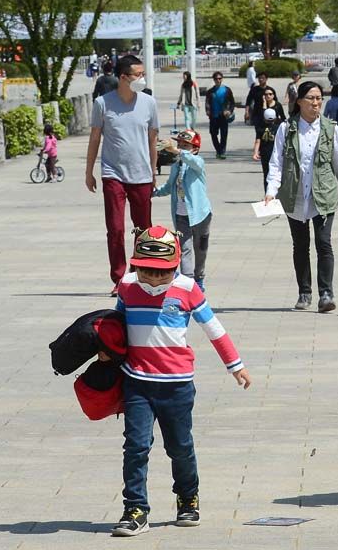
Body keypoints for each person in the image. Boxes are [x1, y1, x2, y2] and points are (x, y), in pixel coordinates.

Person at [107, 226, 251, 537]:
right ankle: (135, 509)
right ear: (136, 266)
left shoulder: (187, 288)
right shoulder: (128, 286)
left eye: (162, 274)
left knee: (180, 447)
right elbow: (115, 325)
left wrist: (235, 365)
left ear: (174, 268)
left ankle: (188, 497)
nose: (154, 280)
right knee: (135, 447)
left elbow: (213, 328)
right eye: (147, 272)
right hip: (137, 383)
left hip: (177, 385)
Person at [264, 82, 338, 313]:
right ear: (299, 102)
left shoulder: (331, 129)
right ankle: (304, 292)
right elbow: (276, 163)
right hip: (295, 196)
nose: (316, 103)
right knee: (300, 245)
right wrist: (270, 191)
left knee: (324, 243)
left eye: (318, 98)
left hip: (323, 195)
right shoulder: (286, 129)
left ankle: (326, 294)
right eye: (311, 98)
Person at [85, 54, 160, 296]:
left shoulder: (149, 103)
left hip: (141, 174)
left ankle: (139, 274)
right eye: (138, 75)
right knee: (115, 228)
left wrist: (153, 171)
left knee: (143, 229)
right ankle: (119, 278)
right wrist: (89, 172)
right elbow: (95, 138)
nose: (142, 78)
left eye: (143, 74)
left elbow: (153, 139)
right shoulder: (103, 103)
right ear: (123, 77)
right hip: (112, 173)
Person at [154, 130, 212, 292]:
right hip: (181, 215)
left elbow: (194, 162)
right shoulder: (176, 165)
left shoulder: (198, 162)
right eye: (178, 144)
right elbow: (169, 187)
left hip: (200, 215)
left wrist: (177, 151)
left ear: (195, 149)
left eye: (185, 145)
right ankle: (188, 283)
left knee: (200, 249)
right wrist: (152, 192)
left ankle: (199, 278)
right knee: (184, 249)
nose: (180, 147)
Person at [253, 104, 285, 192]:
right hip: (276, 154)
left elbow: (258, 141)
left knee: (266, 174)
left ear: (264, 118)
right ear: (275, 118)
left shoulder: (260, 128)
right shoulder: (279, 128)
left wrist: (255, 152)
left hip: (265, 154)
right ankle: (277, 192)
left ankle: (267, 192)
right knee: (278, 173)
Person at [204, 72, 234, 159]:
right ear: (214, 80)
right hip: (213, 116)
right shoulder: (210, 91)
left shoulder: (227, 90)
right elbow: (207, 103)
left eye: (220, 78)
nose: (218, 80)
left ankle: (222, 152)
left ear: (222, 79)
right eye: (216, 79)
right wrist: (208, 111)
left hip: (223, 116)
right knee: (213, 134)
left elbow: (232, 102)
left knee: (224, 135)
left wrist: (229, 111)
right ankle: (218, 150)